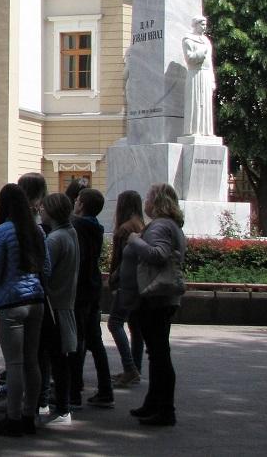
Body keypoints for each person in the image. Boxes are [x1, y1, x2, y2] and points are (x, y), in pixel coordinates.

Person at [0, 183, 50, 437]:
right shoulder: (37, 231)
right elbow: (46, 268)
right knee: (32, 361)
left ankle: (12, 418)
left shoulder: (0, 232)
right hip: (36, 300)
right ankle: (29, 415)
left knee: (14, 363)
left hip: (11, 302)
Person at [127, 183, 187, 427]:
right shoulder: (173, 225)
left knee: (159, 354)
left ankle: (164, 408)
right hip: (164, 296)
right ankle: (153, 403)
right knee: (157, 353)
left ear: (158, 201)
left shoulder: (160, 225)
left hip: (155, 296)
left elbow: (158, 254)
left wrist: (134, 240)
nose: (146, 202)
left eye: (149, 197)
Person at [70, 187, 113, 409]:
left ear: (81, 205)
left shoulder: (78, 227)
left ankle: (74, 390)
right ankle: (106, 389)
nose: (74, 203)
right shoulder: (96, 227)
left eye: (77, 200)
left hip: (80, 290)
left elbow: (79, 260)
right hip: (93, 287)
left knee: (77, 340)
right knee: (95, 341)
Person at [40, 192, 80, 425]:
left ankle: (61, 408)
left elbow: (45, 271)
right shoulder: (70, 233)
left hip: (53, 304)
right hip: (64, 302)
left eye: (44, 208)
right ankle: (50, 402)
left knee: (53, 357)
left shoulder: (55, 239)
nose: (41, 211)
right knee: (56, 357)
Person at [108, 191, 146, 388]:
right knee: (135, 327)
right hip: (139, 284)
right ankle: (135, 369)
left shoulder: (124, 229)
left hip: (126, 283)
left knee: (114, 323)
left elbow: (121, 258)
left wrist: (113, 279)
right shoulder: (141, 225)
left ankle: (130, 368)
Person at [182, 16, 216, 137]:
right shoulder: (188, 40)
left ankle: (206, 131)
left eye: (205, 24)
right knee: (195, 102)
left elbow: (210, 63)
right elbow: (189, 59)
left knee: (206, 104)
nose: (204, 27)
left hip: (206, 75)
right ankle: (193, 131)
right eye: (202, 24)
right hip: (195, 74)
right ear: (195, 25)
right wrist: (202, 51)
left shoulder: (207, 41)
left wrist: (212, 80)